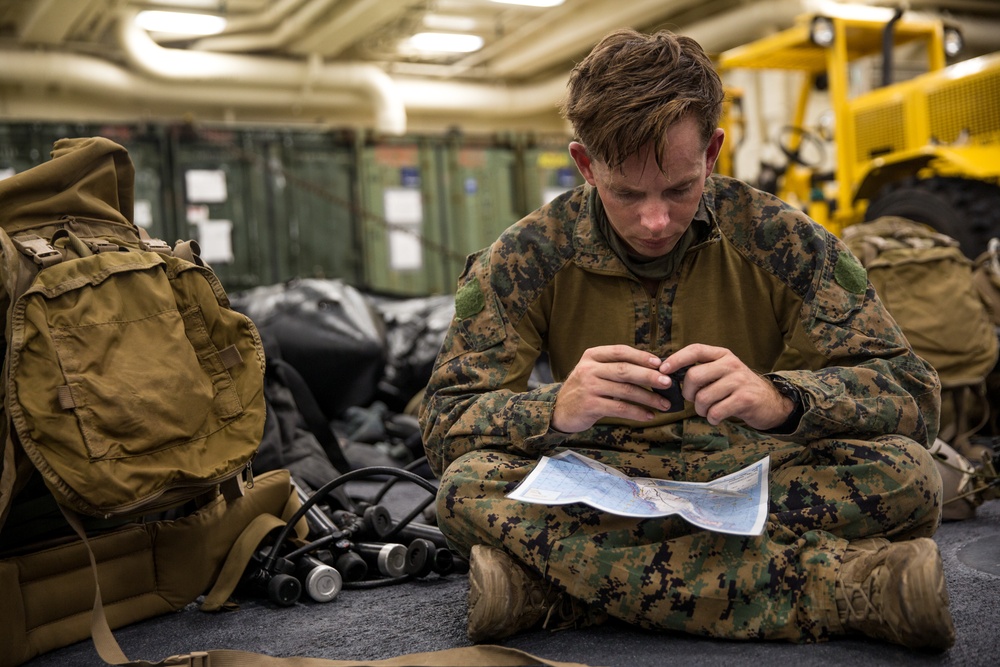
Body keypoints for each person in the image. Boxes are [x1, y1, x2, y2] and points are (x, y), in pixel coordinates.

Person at [417, 27, 954, 651]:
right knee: (466, 488)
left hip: (751, 471)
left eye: (678, 188)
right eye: (624, 192)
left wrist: (781, 401)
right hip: (604, 480)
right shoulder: (525, 258)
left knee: (909, 476)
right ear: (586, 165)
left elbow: (914, 398)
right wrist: (555, 408)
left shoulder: (781, 238)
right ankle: (851, 588)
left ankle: (555, 593)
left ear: (713, 152)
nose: (654, 220)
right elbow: (444, 424)